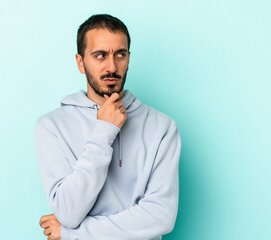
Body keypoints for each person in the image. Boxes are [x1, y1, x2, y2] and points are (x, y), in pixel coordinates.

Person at [35, 14, 181, 240]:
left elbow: (160, 215)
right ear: (80, 62)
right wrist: (104, 132)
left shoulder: (162, 127)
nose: (112, 67)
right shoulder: (51, 126)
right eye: (100, 55)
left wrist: (74, 234)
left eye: (120, 55)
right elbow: (68, 212)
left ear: (129, 59)